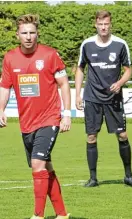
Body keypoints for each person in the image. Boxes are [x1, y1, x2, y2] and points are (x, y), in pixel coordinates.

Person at [0, 14, 71, 219]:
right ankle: (62, 214)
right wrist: (1, 109)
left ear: (37, 33)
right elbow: (5, 87)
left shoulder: (50, 55)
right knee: (44, 166)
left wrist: (66, 114)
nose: (29, 36)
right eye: (24, 33)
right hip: (27, 123)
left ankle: (37, 216)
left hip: (49, 119)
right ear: (17, 35)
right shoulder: (10, 58)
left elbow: (64, 84)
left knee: (38, 164)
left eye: (32, 32)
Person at [75, 10, 132, 188]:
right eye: (100, 24)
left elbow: (128, 70)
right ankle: (93, 179)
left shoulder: (120, 44)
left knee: (122, 134)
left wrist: (119, 83)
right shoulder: (87, 45)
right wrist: (77, 94)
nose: (103, 27)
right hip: (92, 97)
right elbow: (80, 69)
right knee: (91, 136)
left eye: (106, 24)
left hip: (113, 98)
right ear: (95, 24)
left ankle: (128, 176)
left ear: (110, 24)